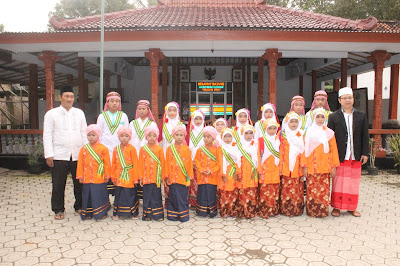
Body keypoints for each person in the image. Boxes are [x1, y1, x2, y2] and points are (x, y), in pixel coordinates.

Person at [43, 85, 87, 220]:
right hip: (59, 154)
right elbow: (47, 134)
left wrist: (86, 153)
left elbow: (84, 133)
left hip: (77, 153)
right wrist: (48, 153)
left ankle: (79, 206)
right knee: (58, 183)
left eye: (71, 97)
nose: (69, 99)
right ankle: (58, 209)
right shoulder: (51, 114)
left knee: (79, 182)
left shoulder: (79, 113)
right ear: (60, 97)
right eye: (66, 96)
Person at [327, 87, 369, 217]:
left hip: (355, 155)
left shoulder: (361, 116)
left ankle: (352, 207)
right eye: (344, 98)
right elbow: (330, 138)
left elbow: (365, 135)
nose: (347, 100)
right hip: (340, 155)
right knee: (338, 182)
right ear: (339, 100)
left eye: (349, 98)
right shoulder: (333, 117)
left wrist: (365, 153)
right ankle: (336, 207)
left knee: (353, 182)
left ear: (353, 99)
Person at [303, 108, 340, 218]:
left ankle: (322, 211)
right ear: (314, 118)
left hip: (325, 167)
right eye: (317, 117)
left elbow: (334, 151)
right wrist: (304, 166)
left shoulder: (330, 133)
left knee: (323, 190)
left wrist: (334, 167)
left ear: (325, 118)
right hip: (311, 166)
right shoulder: (308, 132)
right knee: (311, 190)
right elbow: (304, 150)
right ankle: (312, 211)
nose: (320, 119)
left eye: (322, 117)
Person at [97, 91, 129, 195]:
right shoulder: (102, 116)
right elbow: (99, 133)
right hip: (105, 148)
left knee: (119, 171)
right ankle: (105, 201)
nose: (114, 103)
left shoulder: (123, 116)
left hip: (120, 149)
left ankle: (119, 200)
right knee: (105, 173)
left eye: (117, 101)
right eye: (112, 101)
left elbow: (127, 132)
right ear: (107, 103)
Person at [76, 124, 111, 220]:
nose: (91, 137)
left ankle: (102, 212)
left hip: (99, 177)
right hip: (87, 177)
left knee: (99, 194)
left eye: (93, 135)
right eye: (89, 135)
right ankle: (88, 213)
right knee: (88, 194)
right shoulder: (83, 149)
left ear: (98, 135)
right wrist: (80, 176)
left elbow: (107, 163)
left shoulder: (103, 148)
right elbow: (80, 164)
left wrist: (107, 175)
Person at [129, 100, 157, 200]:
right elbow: (130, 138)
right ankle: (135, 199)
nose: (141, 111)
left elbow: (155, 140)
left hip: (147, 154)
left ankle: (146, 198)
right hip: (135, 153)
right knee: (136, 174)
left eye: (143, 109)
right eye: (139, 109)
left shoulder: (152, 124)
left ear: (148, 110)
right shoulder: (132, 123)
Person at [165, 124, 194, 222]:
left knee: (182, 197)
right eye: (177, 135)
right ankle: (172, 216)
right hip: (172, 177)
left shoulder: (186, 149)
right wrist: (167, 175)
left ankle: (183, 216)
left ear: (184, 136)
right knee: (173, 196)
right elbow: (167, 163)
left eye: (181, 135)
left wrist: (189, 176)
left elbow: (189, 163)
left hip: (182, 178)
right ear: (173, 135)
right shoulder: (169, 149)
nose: (179, 137)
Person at [279, 112, 306, 217]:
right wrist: (281, 166)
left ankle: (297, 209)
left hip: (298, 165)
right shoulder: (283, 135)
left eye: (296, 121)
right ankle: (286, 209)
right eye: (291, 122)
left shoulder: (302, 134)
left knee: (297, 187)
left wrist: (303, 165)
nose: (294, 124)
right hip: (286, 165)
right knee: (286, 187)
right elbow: (281, 151)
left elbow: (304, 151)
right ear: (287, 123)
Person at [138, 125, 166, 221]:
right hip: (146, 177)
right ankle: (147, 215)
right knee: (147, 196)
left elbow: (163, 163)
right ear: (146, 137)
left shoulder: (159, 149)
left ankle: (158, 215)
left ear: (157, 137)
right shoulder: (143, 149)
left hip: (156, 177)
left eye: (154, 136)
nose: (152, 138)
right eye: (149, 135)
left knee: (156, 195)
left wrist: (162, 177)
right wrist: (141, 177)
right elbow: (140, 164)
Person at [111, 127, 139, 220]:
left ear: (130, 137)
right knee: (119, 195)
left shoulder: (132, 149)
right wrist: (113, 177)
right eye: (122, 136)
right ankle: (117, 213)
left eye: (126, 136)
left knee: (130, 195)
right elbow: (114, 164)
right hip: (119, 176)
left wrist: (135, 178)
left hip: (129, 176)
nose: (124, 138)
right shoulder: (116, 149)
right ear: (118, 137)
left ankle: (133, 213)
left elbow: (135, 164)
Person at [194, 126, 221, 218]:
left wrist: (212, 171)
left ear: (213, 137)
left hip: (212, 177)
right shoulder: (200, 149)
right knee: (202, 193)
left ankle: (212, 212)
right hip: (202, 176)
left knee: (211, 193)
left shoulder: (217, 150)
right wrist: (201, 170)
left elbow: (219, 163)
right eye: (204, 136)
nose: (206, 139)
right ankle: (201, 212)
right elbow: (196, 161)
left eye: (208, 136)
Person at [257, 119, 281, 219]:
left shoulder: (278, 140)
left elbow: (281, 155)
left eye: (274, 128)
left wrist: (281, 168)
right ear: (265, 129)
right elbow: (258, 155)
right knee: (264, 190)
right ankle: (264, 210)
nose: (272, 131)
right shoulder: (261, 140)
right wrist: (259, 169)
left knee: (274, 189)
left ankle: (273, 210)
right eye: (269, 128)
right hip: (264, 169)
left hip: (275, 169)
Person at [236, 124, 258, 219]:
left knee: (252, 191)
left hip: (252, 172)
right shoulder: (239, 145)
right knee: (243, 191)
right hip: (242, 171)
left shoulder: (255, 143)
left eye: (250, 133)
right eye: (246, 133)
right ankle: (242, 211)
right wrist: (238, 172)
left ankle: (251, 211)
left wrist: (259, 170)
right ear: (242, 134)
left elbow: (258, 159)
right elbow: (236, 160)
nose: (249, 135)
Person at [218, 128, 241, 218]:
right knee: (225, 191)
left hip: (234, 171)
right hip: (225, 172)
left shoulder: (236, 147)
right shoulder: (221, 148)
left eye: (229, 136)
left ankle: (233, 210)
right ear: (222, 138)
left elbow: (238, 161)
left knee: (233, 191)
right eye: (225, 136)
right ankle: (225, 211)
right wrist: (223, 174)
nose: (227, 138)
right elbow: (221, 161)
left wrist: (238, 172)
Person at [187, 110, 205, 207]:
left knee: (202, 181)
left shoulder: (206, 131)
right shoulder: (189, 131)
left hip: (203, 161)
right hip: (191, 160)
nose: (198, 121)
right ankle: (193, 202)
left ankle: (202, 201)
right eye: (196, 119)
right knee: (193, 182)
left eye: (200, 119)